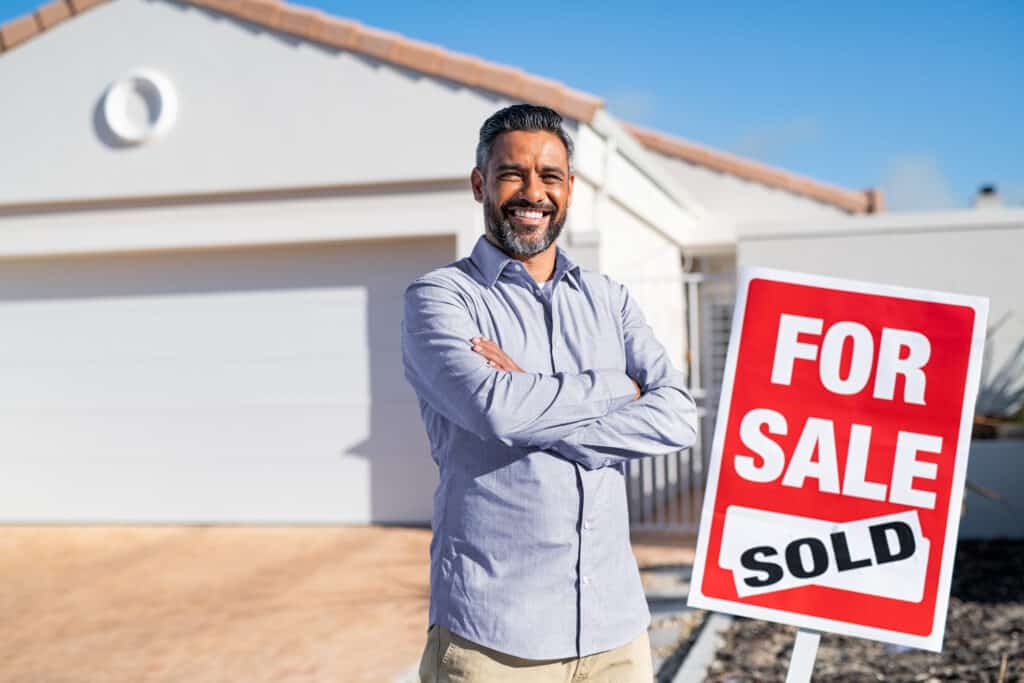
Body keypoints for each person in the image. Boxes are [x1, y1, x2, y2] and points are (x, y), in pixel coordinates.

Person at [401, 103, 698, 682]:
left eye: (550, 176)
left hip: (616, 636)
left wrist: (533, 400)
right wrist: (620, 388)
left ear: (569, 189)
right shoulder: (440, 298)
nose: (532, 192)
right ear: (480, 183)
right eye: (513, 174)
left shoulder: (608, 299)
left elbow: (679, 416)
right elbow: (497, 411)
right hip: (496, 644)